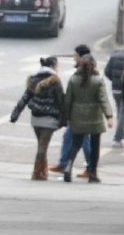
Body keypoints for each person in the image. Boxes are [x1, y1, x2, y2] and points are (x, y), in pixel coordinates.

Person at [10, 57, 65, 180]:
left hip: (36, 118)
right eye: (57, 66)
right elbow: (61, 101)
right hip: (50, 119)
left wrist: (15, 114)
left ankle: (43, 171)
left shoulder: (33, 79)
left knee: (42, 144)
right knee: (42, 146)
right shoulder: (55, 81)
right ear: (53, 66)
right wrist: (65, 118)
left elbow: (24, 98)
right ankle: (36, 172)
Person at [63, 54, 114, 183]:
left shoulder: (74, 79)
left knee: (76, 143)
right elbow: (103, 100)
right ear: (94, 65)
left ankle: (68, 165)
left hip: (77, 116)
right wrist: (109, 116)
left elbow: (68, 101)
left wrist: (67, 117)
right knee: (95, 145)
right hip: (94, 117)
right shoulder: (98, 80)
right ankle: (92, 173)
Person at [49, 44, 93, 176]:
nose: (74, 58)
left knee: (84, 139)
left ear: (81, 57)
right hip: (79, 112)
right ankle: (63, 164)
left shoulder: (86, 73)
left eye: (76, 55)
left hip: (81, 113)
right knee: (69, 136)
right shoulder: (84, 71)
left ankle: (90, 167)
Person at [104, 48, 124, 147]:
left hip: (115, 88)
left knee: (120, 112)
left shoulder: (114, 57)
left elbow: (107, 72)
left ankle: (120, 135)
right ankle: (118, 138)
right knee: (122, 113)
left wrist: (114, 80)